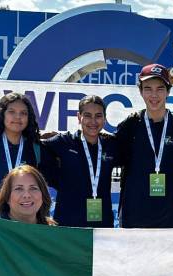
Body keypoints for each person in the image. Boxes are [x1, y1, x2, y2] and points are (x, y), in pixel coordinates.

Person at [115, 63, 173, 228]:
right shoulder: (130, 125)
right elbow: (105, 155)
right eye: (148, 88)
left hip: (166, 218)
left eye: (160, 88)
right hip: (132, 217)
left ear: (168, 91)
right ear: (140, 91)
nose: (154, 95)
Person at [41, 95, 118, 227]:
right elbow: (38, 148)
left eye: (98, 116)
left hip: (102, 225)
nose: (93, 121)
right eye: (87, 115)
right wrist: (59, 182)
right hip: (67, 224)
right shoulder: (64, 141)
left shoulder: (110, 145)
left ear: (104, 119)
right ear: (79, 117)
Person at [0, 92, 42, 217]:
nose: (18, 117)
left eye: (23, 113)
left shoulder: (35, 147)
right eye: (11, 112)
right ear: (1, 114)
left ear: (29, 117)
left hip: (24, 220)